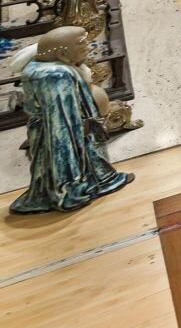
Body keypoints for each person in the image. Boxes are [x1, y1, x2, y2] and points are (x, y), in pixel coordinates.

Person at [9, 26, 133, 214]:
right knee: (66, 161)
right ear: (62, 54)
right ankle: (68, 191)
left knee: (90, 155)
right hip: (65, 130)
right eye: (82, 44)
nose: (89, 47)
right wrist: (80, 129)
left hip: (79, 126)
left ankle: (99, 180)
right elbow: (61, 123)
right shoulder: (55, 77)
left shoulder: (53, 65)